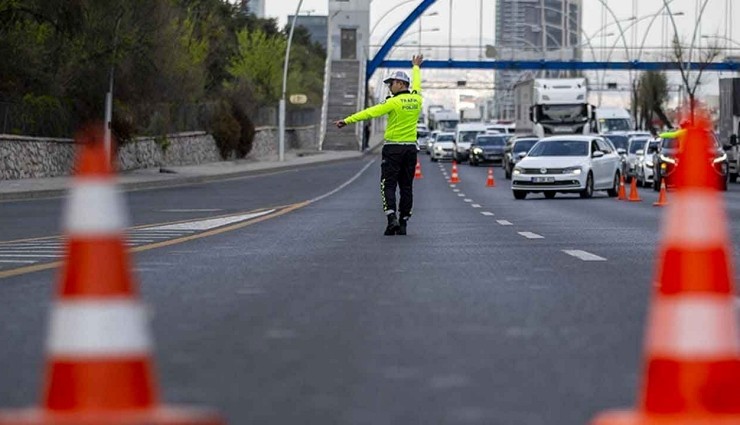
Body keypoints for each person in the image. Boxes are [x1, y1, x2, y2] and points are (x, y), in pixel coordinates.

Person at [334, 55, 424, 236]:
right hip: (410, 150)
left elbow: (370, 113)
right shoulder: (417, 100)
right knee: (406, 186)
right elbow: (418, 85)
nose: (389, 87)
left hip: (393, 149)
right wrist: (416, 67)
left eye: (391, 83)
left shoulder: (393, 102)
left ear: (399, 83)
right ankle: (404, 221)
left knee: (388, 185)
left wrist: (347, 120)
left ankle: (392, 219)